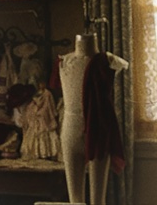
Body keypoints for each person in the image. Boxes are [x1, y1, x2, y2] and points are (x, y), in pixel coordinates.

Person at [59, 32, 127, 205]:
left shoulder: (108, 62)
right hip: (70, 132)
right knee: (75, 200)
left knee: (98, 200)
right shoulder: (63, 62)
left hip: (98, 131)